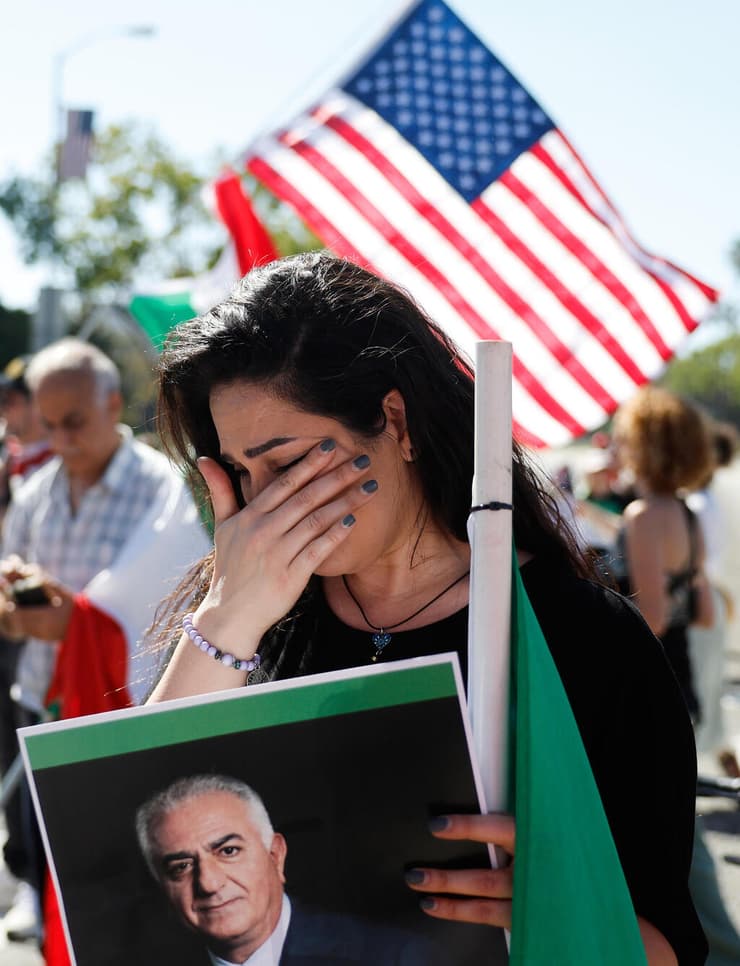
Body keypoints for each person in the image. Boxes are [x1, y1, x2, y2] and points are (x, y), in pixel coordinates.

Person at [150, 252, 707, 965]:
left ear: (395, 422)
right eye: (240, 474)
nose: (262, 510)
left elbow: (667, 946)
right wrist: (228, 617)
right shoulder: (246, 624)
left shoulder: (587, 637)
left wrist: (566, 903)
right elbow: (143, 803)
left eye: (286, 466)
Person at [0, 337, 210, 944]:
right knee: (45, 844)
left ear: (113, 402)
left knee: (122, 866)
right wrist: (20, 614)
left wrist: (78, 622)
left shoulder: (160, 489)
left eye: (75, 423)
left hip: (126, 707)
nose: (62, 440)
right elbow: (10, 585)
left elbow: (175, 601)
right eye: (51, 424)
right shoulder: (36, 491)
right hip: (44, 696)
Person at [135, 774, 440, 966]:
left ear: (276, 855)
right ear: (163, 887)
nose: (210, 883)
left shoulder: (397, 957)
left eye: (228, 851)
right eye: (182, 867)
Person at [612, 386, 715, 722]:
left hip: (650, 695)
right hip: (684, 687)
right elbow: (705, 613)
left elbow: (652, 620)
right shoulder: (688, 514)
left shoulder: (643, 516)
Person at [0, 355, 52, 942]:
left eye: (18, 398)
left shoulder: (63, 469)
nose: (9, 410)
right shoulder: (12, 464)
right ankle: (26, 878)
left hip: (50, 630)